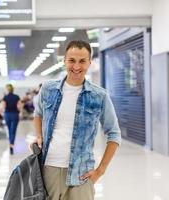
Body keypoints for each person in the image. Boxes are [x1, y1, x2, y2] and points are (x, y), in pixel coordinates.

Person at [33, 40, 121, 200]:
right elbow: (37, 113)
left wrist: (101, 170)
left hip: (82, 174)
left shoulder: (99, 96)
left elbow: (114, 134)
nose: (76, 67)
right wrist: (39, 135)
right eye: (72, 60)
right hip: (48, 167)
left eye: (82, 61)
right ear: (64, 61)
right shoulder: (48, 89)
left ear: (89, 63)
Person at [2, 84, 21, 155]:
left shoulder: (5, 97)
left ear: (7, 89)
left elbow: (4, 107)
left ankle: (10, 142)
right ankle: (11, 145)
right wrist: (20, 112)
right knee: (13, 130)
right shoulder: (17, 97)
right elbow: (19, 107)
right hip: (15, 114)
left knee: (9, 130)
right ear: (13, 89)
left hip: (7, 115)